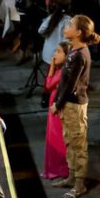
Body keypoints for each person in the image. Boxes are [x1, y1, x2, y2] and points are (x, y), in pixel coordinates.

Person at [51, 15, 99, 198]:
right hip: (68, 103)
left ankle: (80, 184)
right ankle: (72, 177)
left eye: (70, 25)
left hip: (74, 104)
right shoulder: (73, 50)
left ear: (78, 32)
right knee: (70, 141)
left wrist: (57, 104)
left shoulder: (79, 54)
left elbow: (71, 84)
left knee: (78, 144)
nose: (67, 26)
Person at [42, 39, 71, 182]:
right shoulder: (61, 70)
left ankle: (59, 169)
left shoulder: (62, 71)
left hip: (57, 105)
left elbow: (48, 84)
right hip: (53, 104)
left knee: (56, 139)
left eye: (59, 52)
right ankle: (51, 169)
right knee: (51, 137)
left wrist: (52, 66)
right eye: (55, 51)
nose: (55, 54)